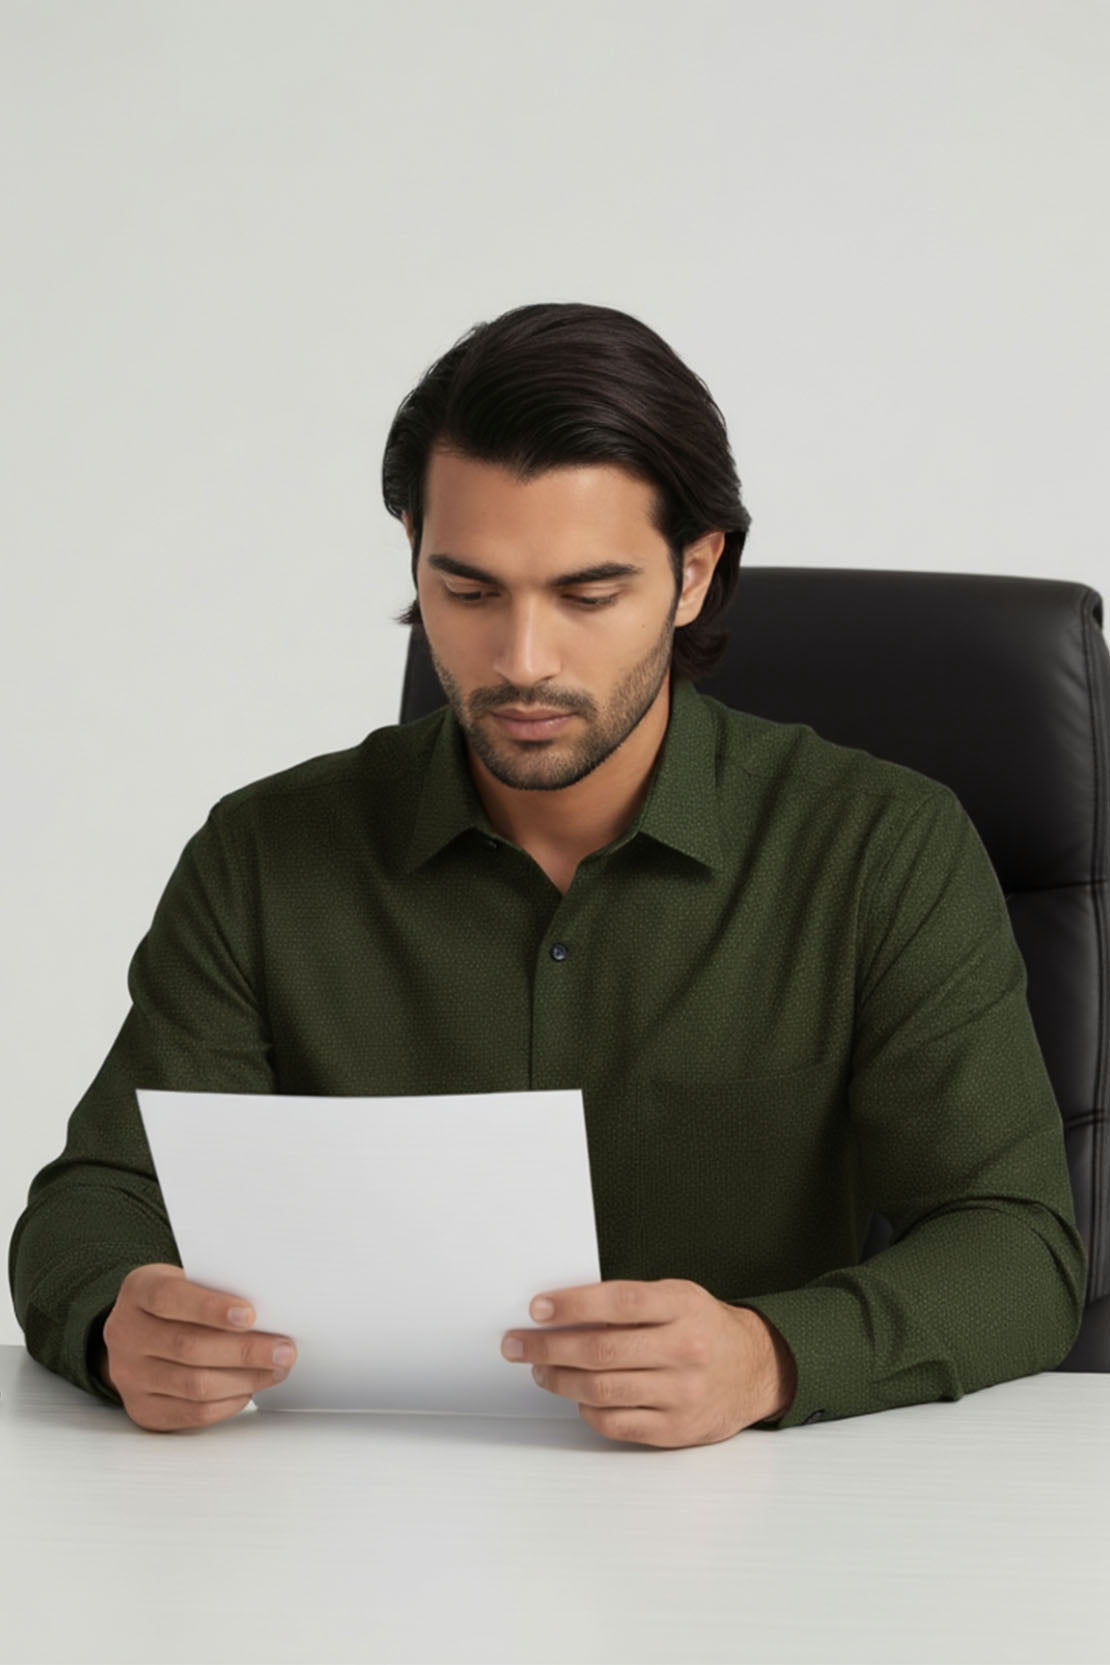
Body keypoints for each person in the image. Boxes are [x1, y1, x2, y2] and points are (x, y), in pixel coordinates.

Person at [8, 301, 1087, 1443]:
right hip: (352, 1524)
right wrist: (115, 1320)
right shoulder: (266, 855)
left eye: (588, 594)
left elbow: (1018, 1247)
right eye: (468, 592)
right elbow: (91, 1203)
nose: (521, 662)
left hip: (759, 1539)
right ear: (415, 563)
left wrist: (772, 1356)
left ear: (694, 575)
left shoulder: (882, 850)